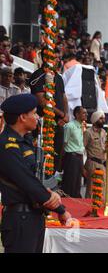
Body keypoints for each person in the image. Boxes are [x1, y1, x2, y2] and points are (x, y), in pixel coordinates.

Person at [0, 94, 72, 253]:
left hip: (34, 217)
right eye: (34, 113)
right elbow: (26, 181)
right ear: (22, 117)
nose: (37, 117)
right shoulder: (7, 146)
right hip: (20, 219)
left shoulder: (24, 142)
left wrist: (49, 193)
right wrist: (60, 208)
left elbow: (34, 178)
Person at [29, 61, 69, 173]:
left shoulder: (59, 78)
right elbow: (42, 101)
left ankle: (53, 178)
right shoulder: (38, 75)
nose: (57, 61)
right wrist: (62, 114)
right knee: (41, 153)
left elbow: (64, 97)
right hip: (43, 122)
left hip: (59, 122)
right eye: (54, 58)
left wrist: (66, 115)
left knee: (57, 153)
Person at [61, 106, 87, 198]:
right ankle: (68, 200)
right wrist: (62, 160)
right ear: (77, 114)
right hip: (71, 156)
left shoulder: (81, 126)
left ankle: (75, 199)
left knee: (77, 181)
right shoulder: (69, 126)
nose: (86, 115)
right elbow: (64, 143)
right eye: (83, 113)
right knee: (70, 180)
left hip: (79, 156)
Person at [83, 111, 107, 199]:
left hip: (102, 163)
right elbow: (82, 149)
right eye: (101, 118)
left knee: (102, 188)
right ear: (95, 120)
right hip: (92, 163)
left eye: (103, 118)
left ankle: (101, 209)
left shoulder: (104, 132)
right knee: (91, 189)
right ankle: (89, 209)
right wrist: (82, 167)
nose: (103, 120)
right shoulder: (88, 133)